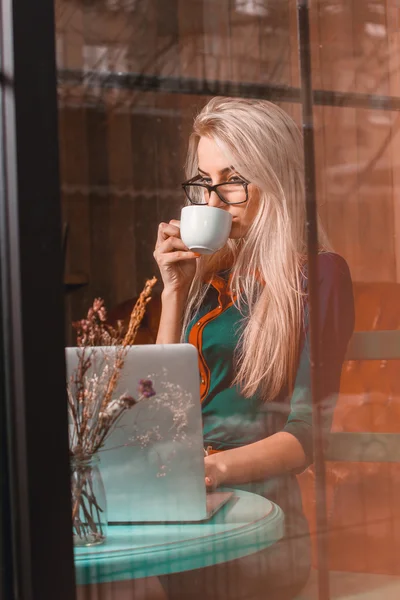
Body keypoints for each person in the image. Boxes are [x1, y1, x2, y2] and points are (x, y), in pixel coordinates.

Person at [153, 97, 355, 600]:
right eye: (205, 182)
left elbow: (308, 436)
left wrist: (210, 468)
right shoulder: (205, 281)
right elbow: (156, 410)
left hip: (261, 527)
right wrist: (173, 293)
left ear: (275, 178)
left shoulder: (318, 275)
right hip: (186, 515)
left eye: (233, 179)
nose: (215, 202)